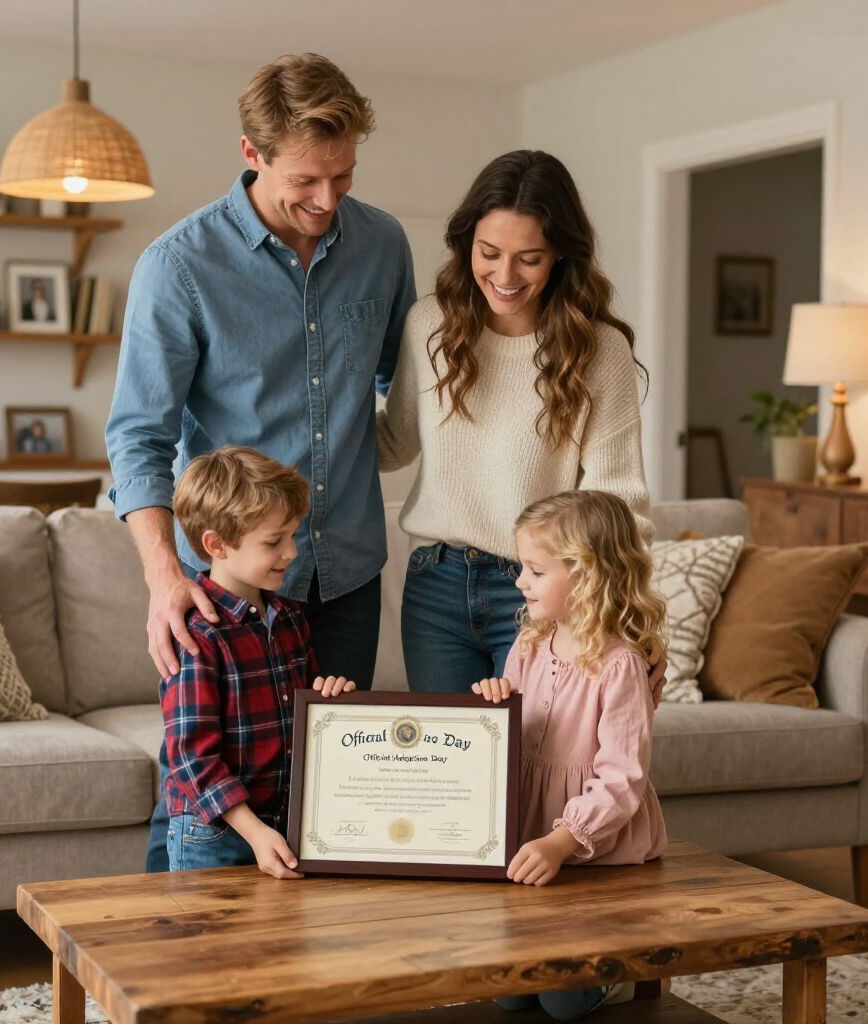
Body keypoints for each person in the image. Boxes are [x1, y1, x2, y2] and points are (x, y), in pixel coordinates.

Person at [105, 53, 416, 871]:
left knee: (333, 799)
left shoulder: (382, 244)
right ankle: (169, 984)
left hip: (344, 573)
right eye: (306, 181)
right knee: (201, 795)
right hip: (222, 592)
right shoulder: (178, 266)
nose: (327, 202)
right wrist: (163, 580)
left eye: (343, 178)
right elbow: (138, 437)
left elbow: (408, 381)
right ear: (252, 152)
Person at [377, 149, 665, 697]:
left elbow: (620, 501)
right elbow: (394, 442)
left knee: (540, 773)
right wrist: (303, 418)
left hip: (548, 590)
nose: (504, 276)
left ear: (560, 255)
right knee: (450, 776)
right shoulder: (431, 323)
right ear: (467, 245)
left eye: (529, 259)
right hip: (435, 585)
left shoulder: (598, 351)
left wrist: (637, 618)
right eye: (489, 253)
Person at [473, 489, 668, 1020]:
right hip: (536, 841)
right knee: (509, 994)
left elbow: (622, 777)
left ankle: (619, 977)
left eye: (535, 571)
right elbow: (508, 737)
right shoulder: (528, 645)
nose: (519, 582)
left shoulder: (620, 664)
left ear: (584, 576)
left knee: (562, 1003)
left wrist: (563, 842)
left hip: (595, 847)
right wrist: (493, 706)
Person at [164, 445, 357, 875]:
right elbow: (192, 756)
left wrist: (330, 700)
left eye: (292, 535)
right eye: (274, 541)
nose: (291, 553)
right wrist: (253, 831)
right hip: (213, 834)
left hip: (279, 827)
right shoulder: (197, 634)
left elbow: (308, 721)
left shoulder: (290, 618)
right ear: (217, 545)